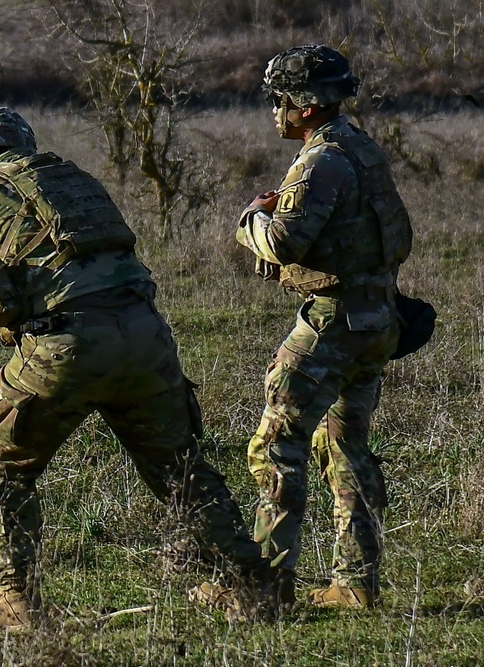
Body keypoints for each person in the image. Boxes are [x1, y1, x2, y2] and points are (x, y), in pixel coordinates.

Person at [0, 106, 273, 629]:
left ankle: (17, 605)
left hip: (67, 344)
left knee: (0, 469)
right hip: (145, 336)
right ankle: (253, 588)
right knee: (179, 470)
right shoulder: (74, 178)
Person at [236, 45, 412, 611]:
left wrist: (251, 220)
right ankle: (357, 583)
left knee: (275, 446)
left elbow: (284, 241)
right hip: (376, 318)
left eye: (279, 101)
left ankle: (267, 589)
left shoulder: (321, 160)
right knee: (345, 447)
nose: (275, 112)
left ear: (304, 106)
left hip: (333, 322)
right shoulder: (363, 149)